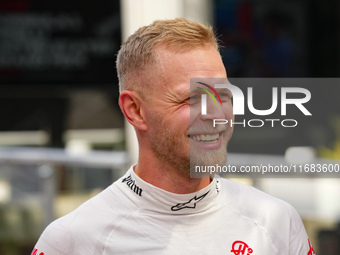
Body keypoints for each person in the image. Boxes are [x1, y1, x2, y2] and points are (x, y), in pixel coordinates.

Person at [32, 18, 315, 255]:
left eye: (224, 95)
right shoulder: (71, 239)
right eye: (191, 99)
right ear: (135, 111)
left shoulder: (276, 220)